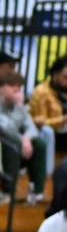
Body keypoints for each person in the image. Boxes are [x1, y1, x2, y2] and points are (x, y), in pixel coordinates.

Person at [0, 71, 48, 203]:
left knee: (39, 144)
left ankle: (37, 191)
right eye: (12, 85)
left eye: (19, 87)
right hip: (3, 145)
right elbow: (7, 129)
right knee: (13, 143)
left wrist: (26, 139)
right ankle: (8, 191)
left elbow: (31, 127)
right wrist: (20, 107)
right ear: (1, 87)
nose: (16, 90)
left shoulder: (17, 106)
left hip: (17, 143)